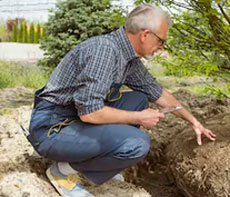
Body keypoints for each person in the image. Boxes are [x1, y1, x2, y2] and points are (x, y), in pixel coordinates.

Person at [28, 4, 216, 197]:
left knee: (138, 98)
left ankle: (102, 165)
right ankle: (62, 171)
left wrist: (193, 121)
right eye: (161, 41)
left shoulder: (127, 57)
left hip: (74, 118)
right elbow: (90, 112)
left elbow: (158, 92)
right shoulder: (104, 51)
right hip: (53, 128)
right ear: (145, 35)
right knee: (137, 144)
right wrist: (138, 118)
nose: (161, 46)